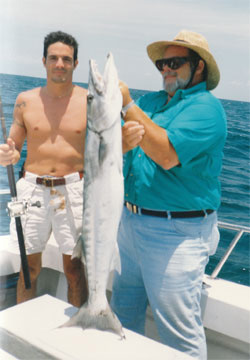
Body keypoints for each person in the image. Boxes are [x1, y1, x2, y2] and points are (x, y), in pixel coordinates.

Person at [111, 30, 227, 359]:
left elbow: (165, 154)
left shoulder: (207, 109)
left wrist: (126, 104)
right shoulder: (151, 103)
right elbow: (115, 143)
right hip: (128, 224)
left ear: (199, 66)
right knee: (122, 317)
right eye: (163, 63)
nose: (165, 69)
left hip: (176, 234)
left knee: (178, 334)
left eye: (174, 62)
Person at [0, 31, 88, 307]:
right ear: (44, 61)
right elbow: (14, 146)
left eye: (66, 58)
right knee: (28, 269)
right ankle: (24, 328)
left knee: (75, 270)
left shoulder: (90, 102)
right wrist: (8, 154)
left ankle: (78, 331)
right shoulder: (25, 100)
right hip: (32, 189)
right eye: (54, 58)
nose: (59, 63)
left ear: (75, 63)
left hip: (72, 190)